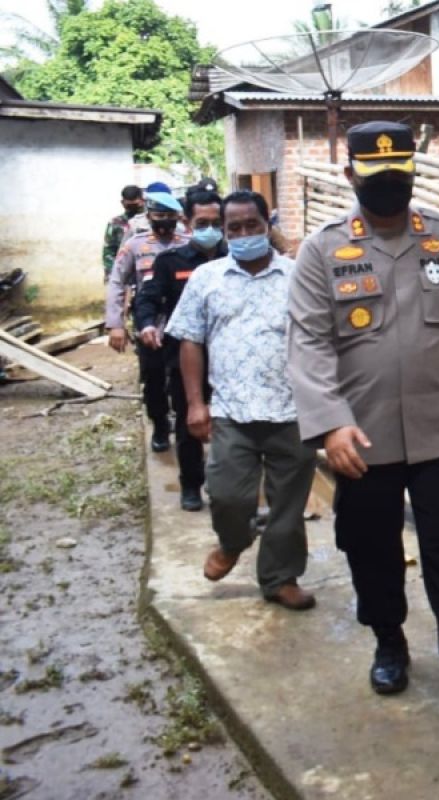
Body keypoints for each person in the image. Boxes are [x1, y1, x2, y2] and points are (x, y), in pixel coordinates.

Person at [287, 121, 439, 727]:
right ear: (350, 177)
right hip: (361, 437)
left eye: (401, 175)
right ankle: (388, 640)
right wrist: (330, 424)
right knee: (372, 548)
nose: (392, 186)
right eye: (378, 177)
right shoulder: (322, 250)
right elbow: (309, 345)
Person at [165, 190, 316, 611]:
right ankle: (233, 542)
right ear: (224, 231)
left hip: (293, 411)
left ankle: (280, 578)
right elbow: (191, 342)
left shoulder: (299, 276)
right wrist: (196, 404)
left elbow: (321, 339)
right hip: (232, 411)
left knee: (288, 506)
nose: (245, 234)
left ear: (268, 225)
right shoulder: (206, 278)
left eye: (253, 225)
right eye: (235, 228)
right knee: (228, 495)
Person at [134, 190, 227, 512]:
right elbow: (147, 298)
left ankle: (231, 485)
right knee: (190, 422)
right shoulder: (169, 262)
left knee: (237, 425)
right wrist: (146, 324)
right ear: (187, 222)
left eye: (217, 222)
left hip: (231, 358)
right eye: (203, 222)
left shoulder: (238, 259)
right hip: (186, 357)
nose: (210, 228)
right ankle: (191, 484)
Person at [105, 190, 190, 452]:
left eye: (169, 216)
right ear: (149, 216)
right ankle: (161, 427)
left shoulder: (188, 243)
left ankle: (184, 425)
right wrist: (115, 324)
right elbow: (117, 282)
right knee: (152, 379)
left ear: (177, 217)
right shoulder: (134, 245)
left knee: (183, 378)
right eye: (158, 215)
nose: (163, 220)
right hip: (148, 321)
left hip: (182, 322)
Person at [103, 185, 143, 283]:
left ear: (142, 201)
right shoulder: (115, 223)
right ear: (122, 203)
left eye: (135, 205)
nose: (132, 209)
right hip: (122, 271)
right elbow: (109, 250)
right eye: (129, 206)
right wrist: (111, 274)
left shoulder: (149, 221)